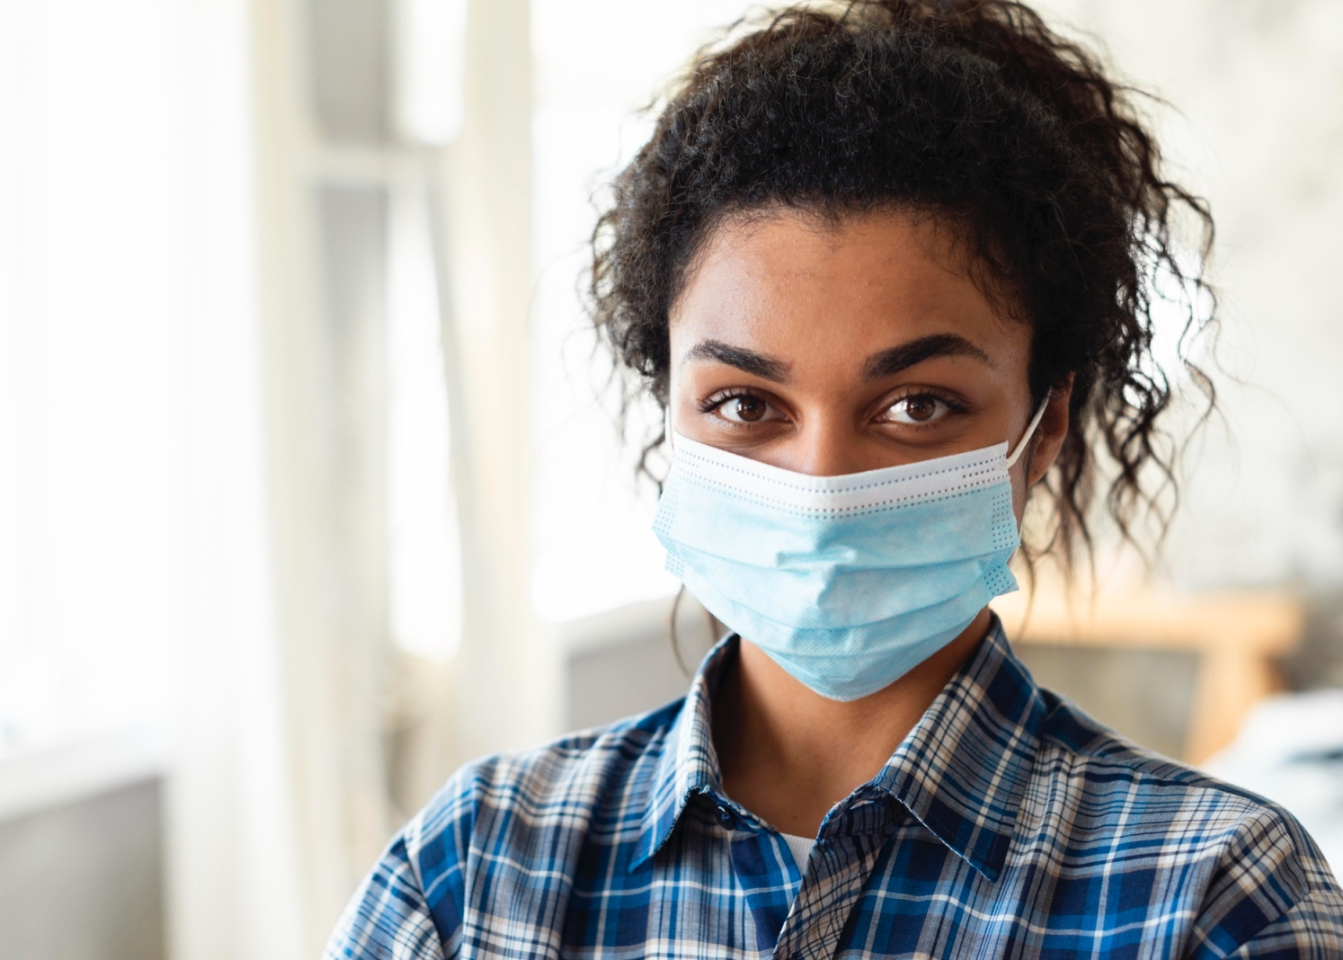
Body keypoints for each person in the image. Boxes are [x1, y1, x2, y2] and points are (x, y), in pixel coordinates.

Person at [326, 2, 1343, 956]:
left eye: (916, 406)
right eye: (743, 402)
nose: (820, 482)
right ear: (669, 409)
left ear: (1043, 431)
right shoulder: (470, 875)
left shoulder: (1212, 900)